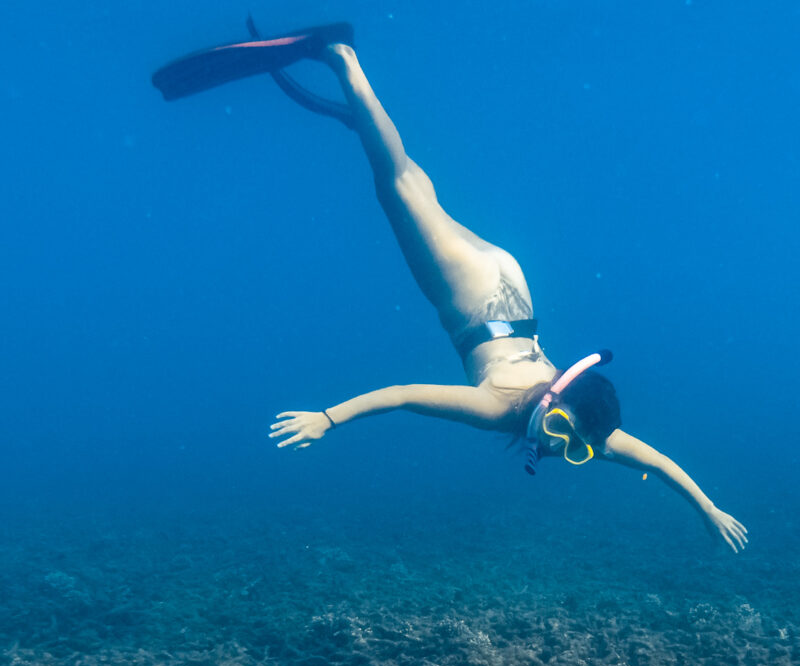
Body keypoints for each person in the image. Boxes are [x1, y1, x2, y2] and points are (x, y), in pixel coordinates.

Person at [152, 26, 747, 553]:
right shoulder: (496, 411)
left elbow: (660, 464)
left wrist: (708, 509)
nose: (556, 441)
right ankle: (341, 56)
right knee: (398, 183)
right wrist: (327, 420)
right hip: (468, 292)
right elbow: (407, 393)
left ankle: (363, 119)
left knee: (415, 190)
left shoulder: (586, 423)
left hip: (508, 286)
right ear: (559, 398)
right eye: (563, 429)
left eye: (573, 449)